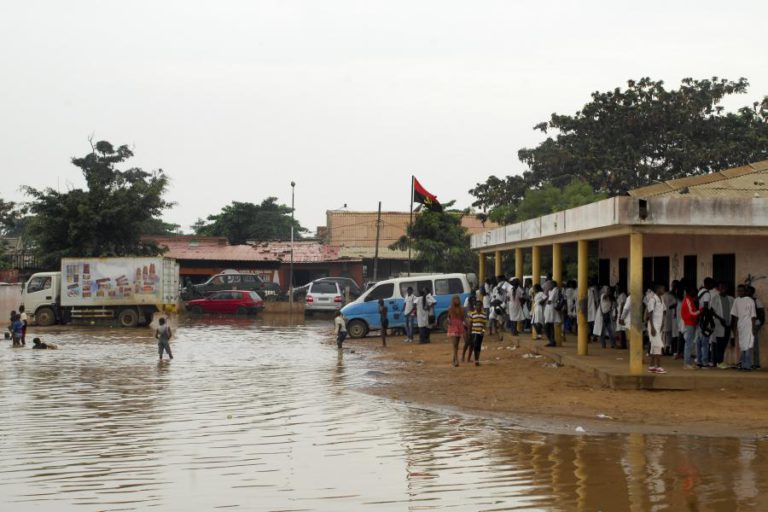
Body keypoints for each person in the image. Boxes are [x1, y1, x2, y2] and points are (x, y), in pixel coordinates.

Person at [731, 285, 757, 372]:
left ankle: (747, 366)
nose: (740, 292)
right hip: (740, 325)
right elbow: (735, 316)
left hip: (748, 325)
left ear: (745, 291)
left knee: (748, 345)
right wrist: (735, 328)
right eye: (738, 291)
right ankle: (743, 364)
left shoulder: (750, 301)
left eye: (741, 291)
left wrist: (753, 329)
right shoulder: (736, 300)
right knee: (742, 345)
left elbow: (753, 316)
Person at [711, 282, 733, 368]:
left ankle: (719, 361)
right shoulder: (715, 298)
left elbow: (733, 311)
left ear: (727, 288)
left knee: (724, 343)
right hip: (719, 324)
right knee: (719, 343)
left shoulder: (731, 299)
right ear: (718, 288)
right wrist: (720, 319)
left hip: (728, 324)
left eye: (724, 287)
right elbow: (712, 311)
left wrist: (732, 322)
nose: (723, 288)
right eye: (721, 287)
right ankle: (719, 362)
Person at [696, 278, 716, 368]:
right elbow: (705, 307)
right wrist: (707, 321)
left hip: (699, 317)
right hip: (704, 318)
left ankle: (699, 361)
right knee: (705, 342)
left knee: (699, 341)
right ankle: (704, 362)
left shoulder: (700, 292)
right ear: (708, 284)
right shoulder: (707, 293)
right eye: (712, 284)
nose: (713, 285)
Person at [646, 284, 667, 373]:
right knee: (658, 345)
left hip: (658, 325)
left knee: (654, 346)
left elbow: (664, 311)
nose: (664, 290)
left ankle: (651, 366)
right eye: (662, 288)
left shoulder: (661, 299)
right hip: (653, 325)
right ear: (658, 289)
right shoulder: (653, 299)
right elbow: (649, 314)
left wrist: (662, 323)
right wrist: (652, 327)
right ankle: (658, 366)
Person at [680, 286, 701, 370]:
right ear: (690, 292)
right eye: (694, 291)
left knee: (689, 343)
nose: (696, 293)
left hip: (690, 323)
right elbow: (692, 313)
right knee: (688, 343)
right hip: (689, 323)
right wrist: (701, 310)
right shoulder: (688, 300)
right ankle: (686, 363)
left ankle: (687, 362)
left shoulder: (690, 299)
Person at [747, 286, 765, 369]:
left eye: (749, 291)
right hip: (747, 324)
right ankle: (750, 363)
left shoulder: (756, 301)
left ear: (752, 292)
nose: (747, 292)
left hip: (755, 324)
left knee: (754, 344)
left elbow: (761, 313)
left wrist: (759, 323)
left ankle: (756, 364)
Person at [465, 302, 487, 366]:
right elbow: (470, 323)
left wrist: (483, 331)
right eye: (477, 305)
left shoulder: (484, 314)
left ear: (481, 306)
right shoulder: (472, 314)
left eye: (479, 305)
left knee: (478, 346)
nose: (478, 307)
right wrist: (469, 332)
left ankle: (477, 359)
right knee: (475, 345)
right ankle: (476, 360)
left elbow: (484, 324)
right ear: (475, 306)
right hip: (474, 332)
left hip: (480, 332)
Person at [447, 295, 465, 367]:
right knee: (454, 344)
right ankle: (456, 360)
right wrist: (448, 321)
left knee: (456, 345)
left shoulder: (462, 308)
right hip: (453, 326)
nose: (456, 300)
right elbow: (448, 317)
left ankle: (454, 359)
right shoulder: (450, 308)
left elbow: (463, 318)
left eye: (457, 299)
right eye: (455, 299)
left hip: (459, 326)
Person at [544, 280, 561, 347]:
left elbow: (549, 300)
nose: (547, 286)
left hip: (551, 308)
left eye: (549, 285)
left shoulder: (555, 289)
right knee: (550, 326)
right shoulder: (551, 290)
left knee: (547, 325)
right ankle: (552, 341)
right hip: (550, 308)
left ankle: (551, 340)